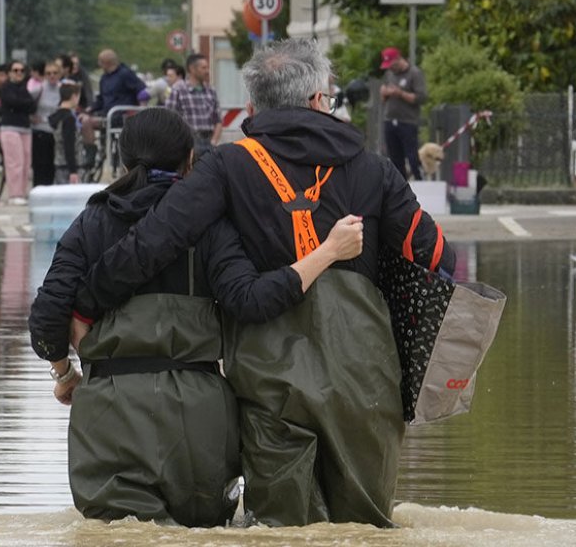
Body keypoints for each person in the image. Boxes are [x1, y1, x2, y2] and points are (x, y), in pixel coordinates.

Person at [72, 38, 455, 528]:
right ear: (319, 101)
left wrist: (85, 304)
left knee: (281, 529)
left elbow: (153, 242)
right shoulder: (373, 169)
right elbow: (437, 255)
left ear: (254, 105)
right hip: (364, 374)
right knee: (365, 529)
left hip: (270, 373)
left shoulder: (227, 165)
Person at [29, 107, 364, 528]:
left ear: (123, 156)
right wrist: (329, 251)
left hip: (108, 410)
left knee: (118, 535)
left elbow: (46, 319)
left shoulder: (90, 223)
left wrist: (64, 373)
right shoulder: (211, 227)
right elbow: (251, 301)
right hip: (199, 418)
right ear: (190, 159)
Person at [79, 49, 149, 161]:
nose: (99, 65)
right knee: (85, 120)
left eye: (100, 62)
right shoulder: (104, 78)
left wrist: (141, 111)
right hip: (107, 116)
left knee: (88, 121)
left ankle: (96, 156)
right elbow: (101, 99)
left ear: (106, 63)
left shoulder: (125, 74)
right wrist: (90, 108)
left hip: (121, 116)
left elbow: (142, 90)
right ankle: (91, 155)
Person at [380, 46, 428, 180]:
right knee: (395, 158)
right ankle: (400, 187)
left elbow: (421, 97)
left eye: (391, 64)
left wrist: (400, 93)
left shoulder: (414, 73)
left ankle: (420, 182)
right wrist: (384, 93)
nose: (390, 68)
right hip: (390, 120)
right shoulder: (389, 74)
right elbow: (383, 98)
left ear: (398, 59)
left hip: (407, 121)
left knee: (412, 156)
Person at [166, 53, 222, 153]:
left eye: (207, 67)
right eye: (203, 68)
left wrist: (213, 141)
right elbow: (169, 119)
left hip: (209, 142)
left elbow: (218, 120)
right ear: (192, 69)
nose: (207, 71)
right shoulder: (178, 89)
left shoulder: (210, 90)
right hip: (188, 143)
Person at [0, 60, 36, 206]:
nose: (19, 73)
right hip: (10, 128)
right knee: (15, 162)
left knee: (26, 162)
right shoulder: (6, 88)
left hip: (25, 128)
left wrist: (23, 103)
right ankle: (14, 194)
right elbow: (12, 102)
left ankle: (22, 191)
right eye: (15, 70)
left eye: (21, 70)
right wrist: (24, 104)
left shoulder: (24, 88)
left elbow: (32, 106)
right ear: (9, 73)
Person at [30, 59, 63, 187]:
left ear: (59, 74)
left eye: (55, 73)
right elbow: (26, 104)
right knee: (39, 165)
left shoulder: (63, 90)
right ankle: (38, 190)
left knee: (53, 165)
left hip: (56, 133)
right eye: (48, 73)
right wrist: (30, 117)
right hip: (40, 131)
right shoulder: (38, 90)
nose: (52, 76)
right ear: (44, 75)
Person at [48, 83, 82, 184]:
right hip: (69, 165)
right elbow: (69, 144)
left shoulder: (55, 116)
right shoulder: (69, 119)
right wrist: (73, 170)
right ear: (74, 96)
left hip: (58, 162)